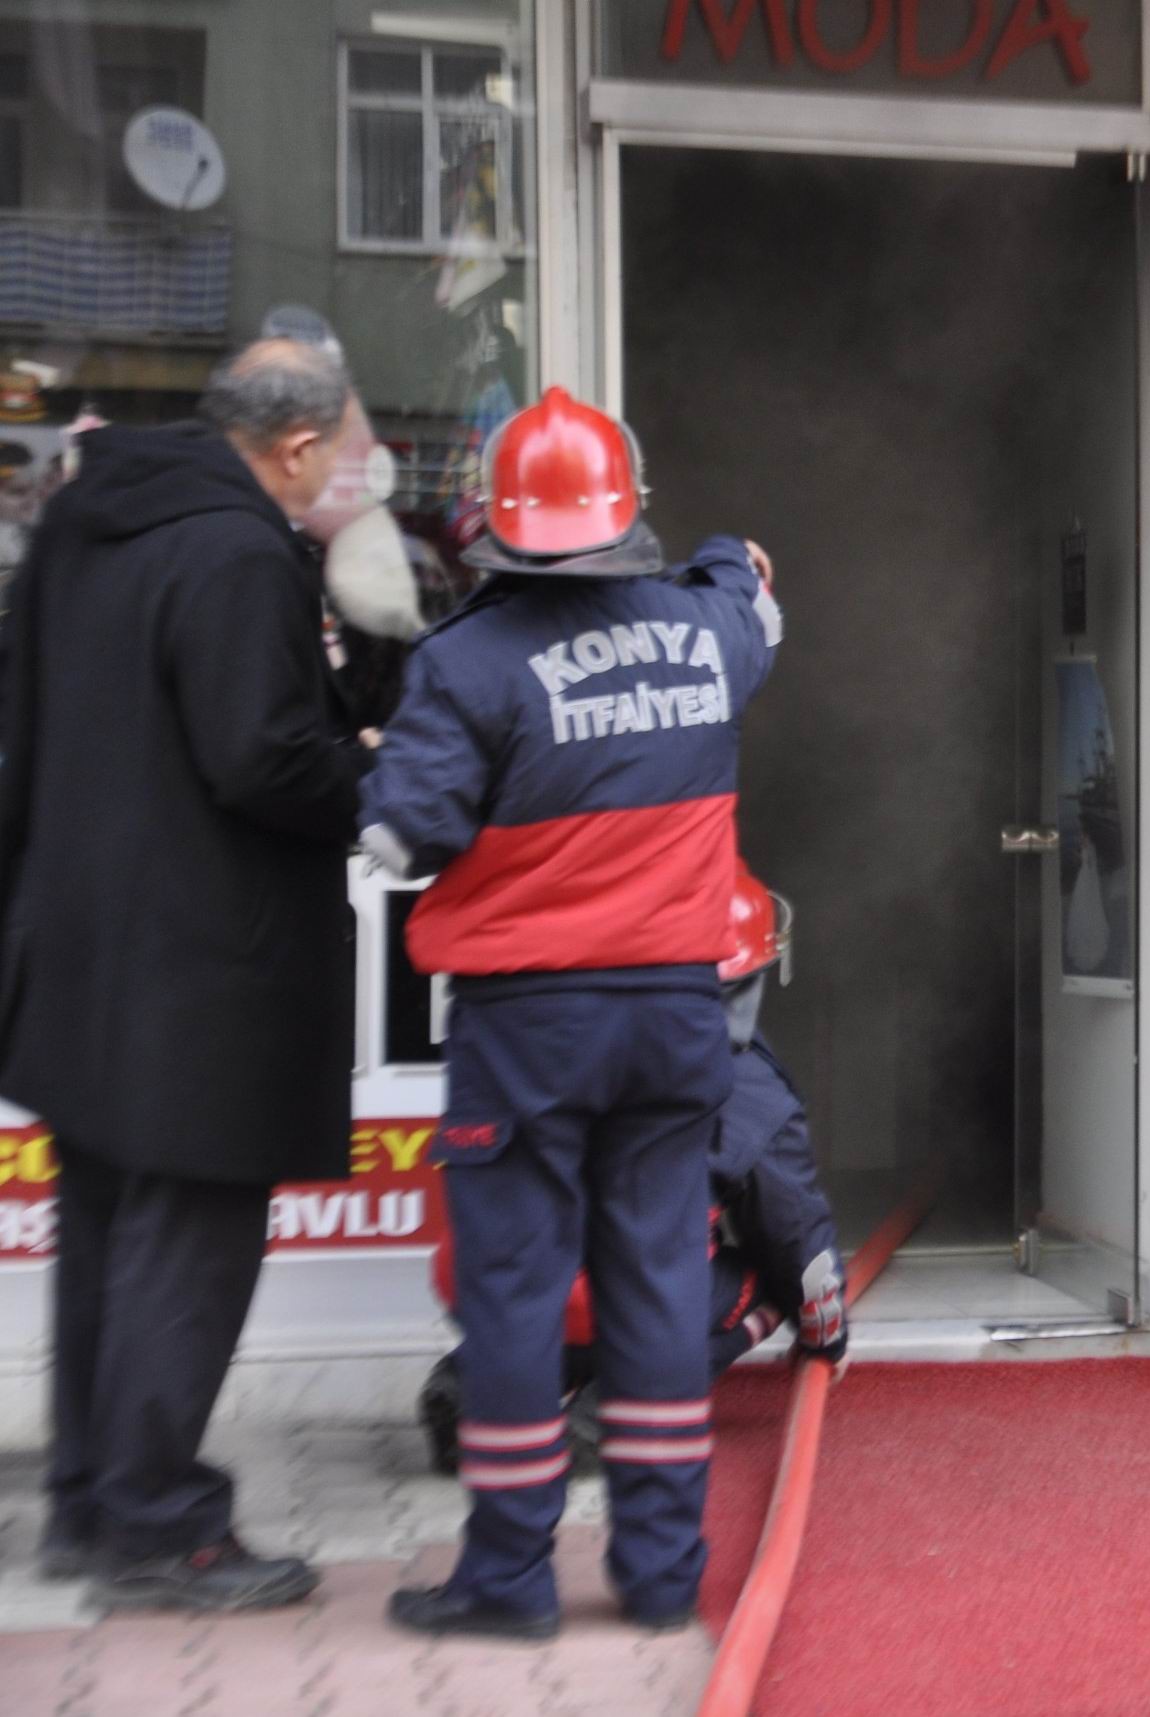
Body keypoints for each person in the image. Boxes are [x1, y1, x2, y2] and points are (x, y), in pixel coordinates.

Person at [359, 387, 780, 1640]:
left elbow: (402, 839)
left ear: (496, 524)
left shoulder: (464, 661)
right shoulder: (708, 632)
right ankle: (660, 1574)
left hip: (527, 1028)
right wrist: (723, 554)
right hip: (674, 1017)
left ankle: (507, 1578)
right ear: (627, 511)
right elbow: (751, 590)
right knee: (658, 1283)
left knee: (515, 1296)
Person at [0, 340, 366, 1611]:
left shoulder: (80, 524)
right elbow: (262, 757)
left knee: (104, 1236)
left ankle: (89, 1505)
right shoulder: (239, 552)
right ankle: (159, 1527)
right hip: (205, 971)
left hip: (79, 949)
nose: (348, 476)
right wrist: (375, 774)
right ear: (297, 445)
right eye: (344, 452)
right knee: (187, 1250)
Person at [415, 861, 848, 1475]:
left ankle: (474, 1385)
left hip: (480, 1276)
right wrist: (825, 1334)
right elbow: (795, 1239)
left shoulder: (531, 1025)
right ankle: (613, 1414)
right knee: (756, 1281)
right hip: (604, 1290)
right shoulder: (747, 1087)